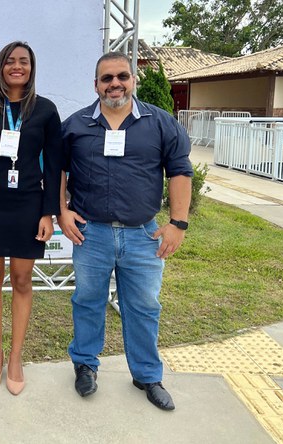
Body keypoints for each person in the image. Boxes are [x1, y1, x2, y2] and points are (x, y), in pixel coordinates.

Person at [58, 52, 193, 411]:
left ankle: (147, 375)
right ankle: (85, 364)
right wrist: (62, 212)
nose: (114, 84)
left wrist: (178, 223)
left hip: (143, 235)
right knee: (87, 301)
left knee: (144, 306)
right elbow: (59, 171)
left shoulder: (160, 123)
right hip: (92, 234)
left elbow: (180, 171)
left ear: (133, 80)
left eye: (121, 76)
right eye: (106, 78)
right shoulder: (75, 125)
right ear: (96, 85)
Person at [0, 42, 61, 395]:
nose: (16, 67)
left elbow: (53, 165)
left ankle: (16, 356)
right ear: (1, 68)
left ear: (31, 68)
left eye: (24, 61)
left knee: (21, 280)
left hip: (28, 205)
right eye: (10, 61)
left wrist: (49, 212)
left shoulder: (46, 111)